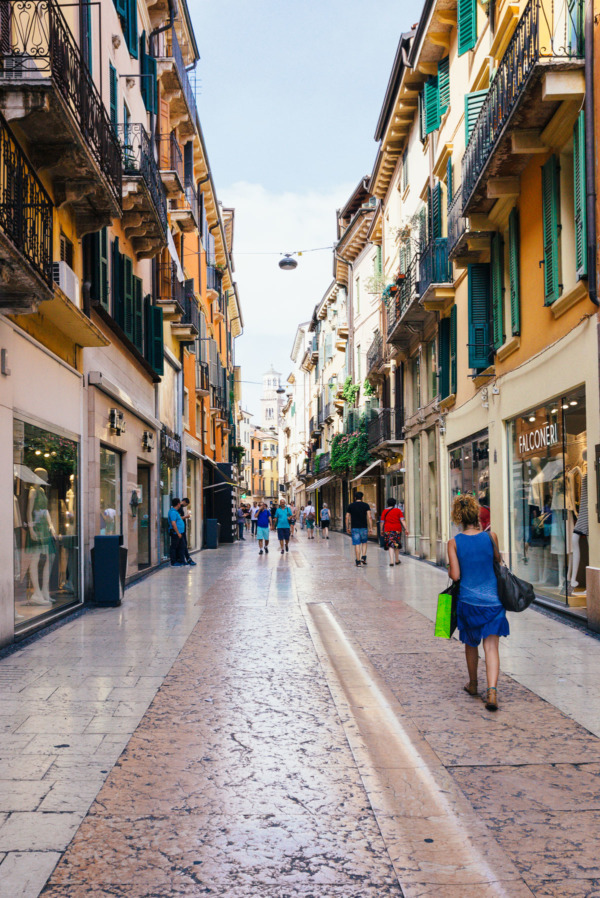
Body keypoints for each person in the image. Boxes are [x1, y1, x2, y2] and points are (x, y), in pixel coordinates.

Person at [447, 494, 509, 712]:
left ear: (458, 517)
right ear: (477, 515)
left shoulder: (454, 543)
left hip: (469, 602)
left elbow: (455, 576)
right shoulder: (491, 536)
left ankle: (473, 685)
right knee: (491, 646)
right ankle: (492, 691)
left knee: (471, 644)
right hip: (493, 601)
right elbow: (497, 561)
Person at [346, 491, 372, 567]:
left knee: (357, 544)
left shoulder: (351, 506)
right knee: (364, 542)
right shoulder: (366, 505)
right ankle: (363, 557)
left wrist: (347, 527)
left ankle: (358, 561)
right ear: (362, 498)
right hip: (364, 527)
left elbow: (347, 517)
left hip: (354, 528)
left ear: (355, 498)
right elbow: (369, 517)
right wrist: (370, 527)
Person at [380, 497, 407, 566]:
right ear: (395, 504)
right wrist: (406, 528)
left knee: (390, 545)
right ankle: (397, 560)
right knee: (396, 544)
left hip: (388, 529)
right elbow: (402, 520)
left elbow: (382, 522)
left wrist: (381, 530)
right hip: (397, 529)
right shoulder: (398, 511)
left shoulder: (384, 511)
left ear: (387, 503)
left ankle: (391, 561)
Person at [168, 498, 186, 567]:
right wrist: (178, 533)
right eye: (180, 503)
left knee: (182, 546)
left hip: (179, 533)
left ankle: (181, 561)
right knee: (174, 547)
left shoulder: (175, 511)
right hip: (176, 533)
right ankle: (173, 562)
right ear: (178, 504)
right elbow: (173, 523)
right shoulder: (173, 512)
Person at [179, 498, 197, 566]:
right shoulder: (179, 509)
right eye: (186, 504)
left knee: (183, 545)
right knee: (183, 544)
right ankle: (187, 559)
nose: (185, 506)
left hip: (182, 530)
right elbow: (179, 518)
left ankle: (184, 559)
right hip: (180, 530)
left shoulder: (180, 508)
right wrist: (186, 516)